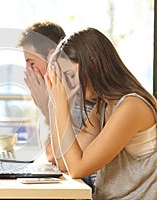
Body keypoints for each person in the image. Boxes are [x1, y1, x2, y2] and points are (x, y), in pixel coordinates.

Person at [45, 27, 157, 199]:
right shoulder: (103, 105)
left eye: (71, 76)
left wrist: (61, 105)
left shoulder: (131, 107)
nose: (70, 87)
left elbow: (77, 168)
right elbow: (63, 163)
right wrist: (55, 102)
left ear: (94, 65)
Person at [17, 21, 66, 163]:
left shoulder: (71, 93)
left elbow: (53, 155)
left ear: (52, 56)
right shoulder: (49, 90)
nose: (28, 70)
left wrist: (46, 109)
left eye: (31, 63)